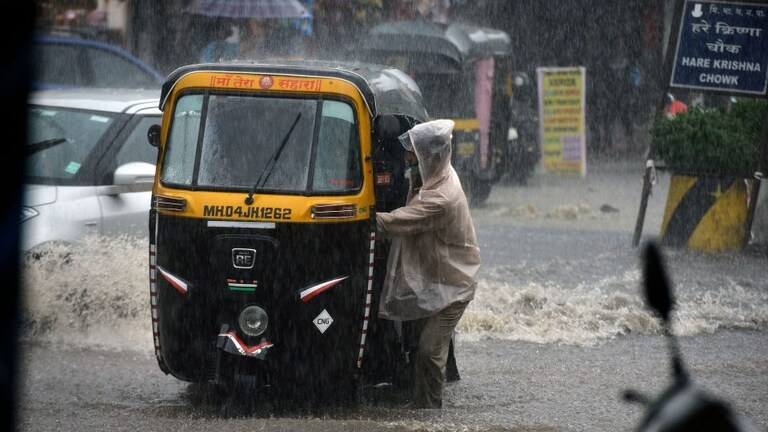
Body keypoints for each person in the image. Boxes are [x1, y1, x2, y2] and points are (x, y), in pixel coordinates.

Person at [376, 119, 481, 409]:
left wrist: (363, 219)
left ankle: (430, 414)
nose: (407, 161)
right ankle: (420, 403)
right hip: (435, 277)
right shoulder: (434, 174)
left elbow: (400, 221)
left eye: (413, 156)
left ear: (429, 157)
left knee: (429, 352)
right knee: (416, 346)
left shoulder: (441, 197)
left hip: (455, 285)